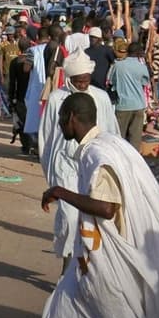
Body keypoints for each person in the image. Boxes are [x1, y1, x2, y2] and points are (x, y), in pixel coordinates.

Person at [39, 92, 159, 318]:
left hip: (106, 266)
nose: (59, 124)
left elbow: (106, 207)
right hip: (96, 258)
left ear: (72, 118)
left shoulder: (96, 153)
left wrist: (60, 192)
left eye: (61, 118)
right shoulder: (113, 144)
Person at [38, 49, 120, 265]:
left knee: (92, 218)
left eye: (85, 80)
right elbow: (46, 136)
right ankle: (67, 266)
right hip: (64, 165)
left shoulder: (101, 97)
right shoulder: (56, 98)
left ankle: (90, 266)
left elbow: (111, 129)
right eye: (78, 81)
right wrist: (49, 169)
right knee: (70, 216)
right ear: (70, 78)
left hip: (93, 164)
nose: (82, 85)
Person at [109, 42, 149, 151]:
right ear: (138, 53)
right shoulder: (142, 67)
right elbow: (145, 83)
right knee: (135, 138)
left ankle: (120, 157)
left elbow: (112, 82)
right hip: (138, 105)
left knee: (119, 137)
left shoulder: (118, 65)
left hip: (123, 105)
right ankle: (134, 158)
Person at [9, 38, 34, 154]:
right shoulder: (33, 60)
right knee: (32, 120)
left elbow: (12, 82)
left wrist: (11, 97)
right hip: (33, 95)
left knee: (22, 121)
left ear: (19, 47)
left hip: (20, 95)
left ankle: (26, 146)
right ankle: (33, 145)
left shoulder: (15, 62)